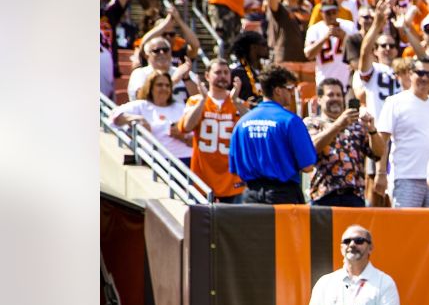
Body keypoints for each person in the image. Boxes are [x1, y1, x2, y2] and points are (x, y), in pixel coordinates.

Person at [227, 65, 317, 204]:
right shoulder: (290, 121)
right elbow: (308, 166)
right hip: (284, 196)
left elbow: (234, 168)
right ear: (278, 91)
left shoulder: (242, 123)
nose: (292, 94)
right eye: (290, 89)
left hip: (250, 197)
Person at [378, 58, 429, 208]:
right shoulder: (394, 102)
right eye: (420, 73)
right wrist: (381, 173)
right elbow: (382, 140)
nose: (425, 78)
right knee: (405, 228)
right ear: (410, 74)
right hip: (406, 177)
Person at [306, 78, 384, 207]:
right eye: (330, 95)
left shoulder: (357, 126)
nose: (335, 98)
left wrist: (372, 130)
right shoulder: (312, 123)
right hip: (324, 195)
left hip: (354, 196)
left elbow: (378, 153)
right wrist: (338, 125)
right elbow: (311, 149)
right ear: (319, 99)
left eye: (339, 95)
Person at [180, 59, 247, 203]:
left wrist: (235, 101)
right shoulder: (195, 101)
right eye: (217, 72)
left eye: (226, 72)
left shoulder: (238, 102)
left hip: (232, 178)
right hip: (202, 176)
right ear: (207, 76)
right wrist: (204, 100)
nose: (222, 76)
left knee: (232, 224)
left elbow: (250, 126)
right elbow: (186, 127)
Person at [110, 69, 192, 163]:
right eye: (159, 85)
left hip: (186, 159)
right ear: (150, 87)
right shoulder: (141, 106)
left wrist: (181, 136)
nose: (164, 88)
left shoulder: (181, 108)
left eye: (167, 85)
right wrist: (137, 119)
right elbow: (114, 116)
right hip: (158, 160)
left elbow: (195, 141)